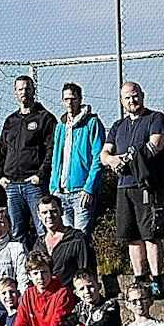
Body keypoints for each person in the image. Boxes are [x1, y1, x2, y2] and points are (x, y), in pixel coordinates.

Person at [103, 81, 164, 290]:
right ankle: (139, 279)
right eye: (127, 97)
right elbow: (104, 154)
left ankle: (156, 281)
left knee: (150, 235)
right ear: (122, 101)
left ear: (142, 95)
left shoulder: (155, 118)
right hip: (124, 187)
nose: (132, 100)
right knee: (131, 235)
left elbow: (155, 146)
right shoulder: (118, 126)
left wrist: (126, 156)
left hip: (147, 185)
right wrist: (112, 160)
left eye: (135, 95)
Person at [0, 75, 57, 246]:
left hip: (35, 185)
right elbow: (2, 150)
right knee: (17, 231)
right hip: (12, 186)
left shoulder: (44, 117)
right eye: (20, 89)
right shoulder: (10, 121)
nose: (24, 92)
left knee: (43, 228)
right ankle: (23, 270)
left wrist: (41, 174)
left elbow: (51, 150)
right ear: (15, 93)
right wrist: (0, 175)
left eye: (27, 88)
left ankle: (46, 269)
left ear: (33, 91)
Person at [50, 82, 105, 232]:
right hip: (61, 193)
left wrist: (89, 188)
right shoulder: (61, 126)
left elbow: (98, 158)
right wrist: (53, 187)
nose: (69, 103)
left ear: (80, 99)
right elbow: (56, 158)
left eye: (73, 99)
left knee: (81, 238)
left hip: (81, 192)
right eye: (66, 99)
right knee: (65, 238)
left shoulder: (92, 123)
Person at [7, 251, 73, 326]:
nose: (40, 277)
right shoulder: (28, 294)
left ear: (51, 272)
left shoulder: (63, 293)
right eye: (35, 273)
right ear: (29, 276)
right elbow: (19, 323)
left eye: (44, 272)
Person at [35, 193, 95, 284]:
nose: (49, 216)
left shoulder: (77, 239)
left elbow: (87, 274)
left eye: (53, 211)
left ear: (62, 211)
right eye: (44, 212)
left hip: (70, 295)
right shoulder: (39, 244)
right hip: (46, 296)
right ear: (39, 216)